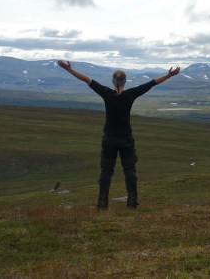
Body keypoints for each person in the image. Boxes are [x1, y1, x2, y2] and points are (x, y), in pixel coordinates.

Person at [57, 60, 180, 210]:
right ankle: (132, 202)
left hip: (109, 138)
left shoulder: (106, 93)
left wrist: (67, 69)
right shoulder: (130, 94)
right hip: (126, 139)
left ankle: (102, 204)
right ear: (125, 81)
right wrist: (169, 75)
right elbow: (152, 83)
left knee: (106, 171)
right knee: (129, 170)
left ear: (112, 81)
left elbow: (85, 79)